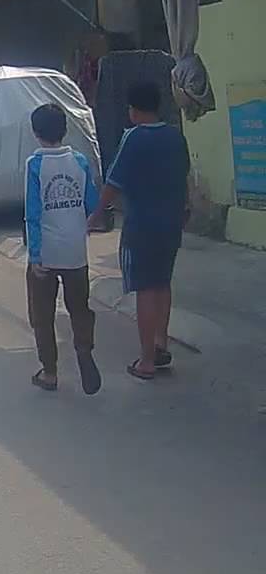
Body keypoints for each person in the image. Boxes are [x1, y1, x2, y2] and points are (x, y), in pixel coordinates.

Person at [88, 82, 191, 380]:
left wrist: (96, 215)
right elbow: (184, 176)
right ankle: (160, 343)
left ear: (133, 110)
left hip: (142, 226)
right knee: (162, 283)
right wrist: (185, 208)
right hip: (171, 222)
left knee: (145, 288)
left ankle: (146, 361)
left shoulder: (134, 138)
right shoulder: (175, 136)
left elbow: (113, 183)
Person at [25, 103, 101, 394]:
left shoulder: (35, 164)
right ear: (65, 130)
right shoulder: (80, 161)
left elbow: (33, 214)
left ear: (36, 132)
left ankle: (50, 372)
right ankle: (83, 348)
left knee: (42, 314)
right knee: (79, 308)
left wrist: (35, 255)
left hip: (47, 251)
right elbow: (92, 204)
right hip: (75, 251)